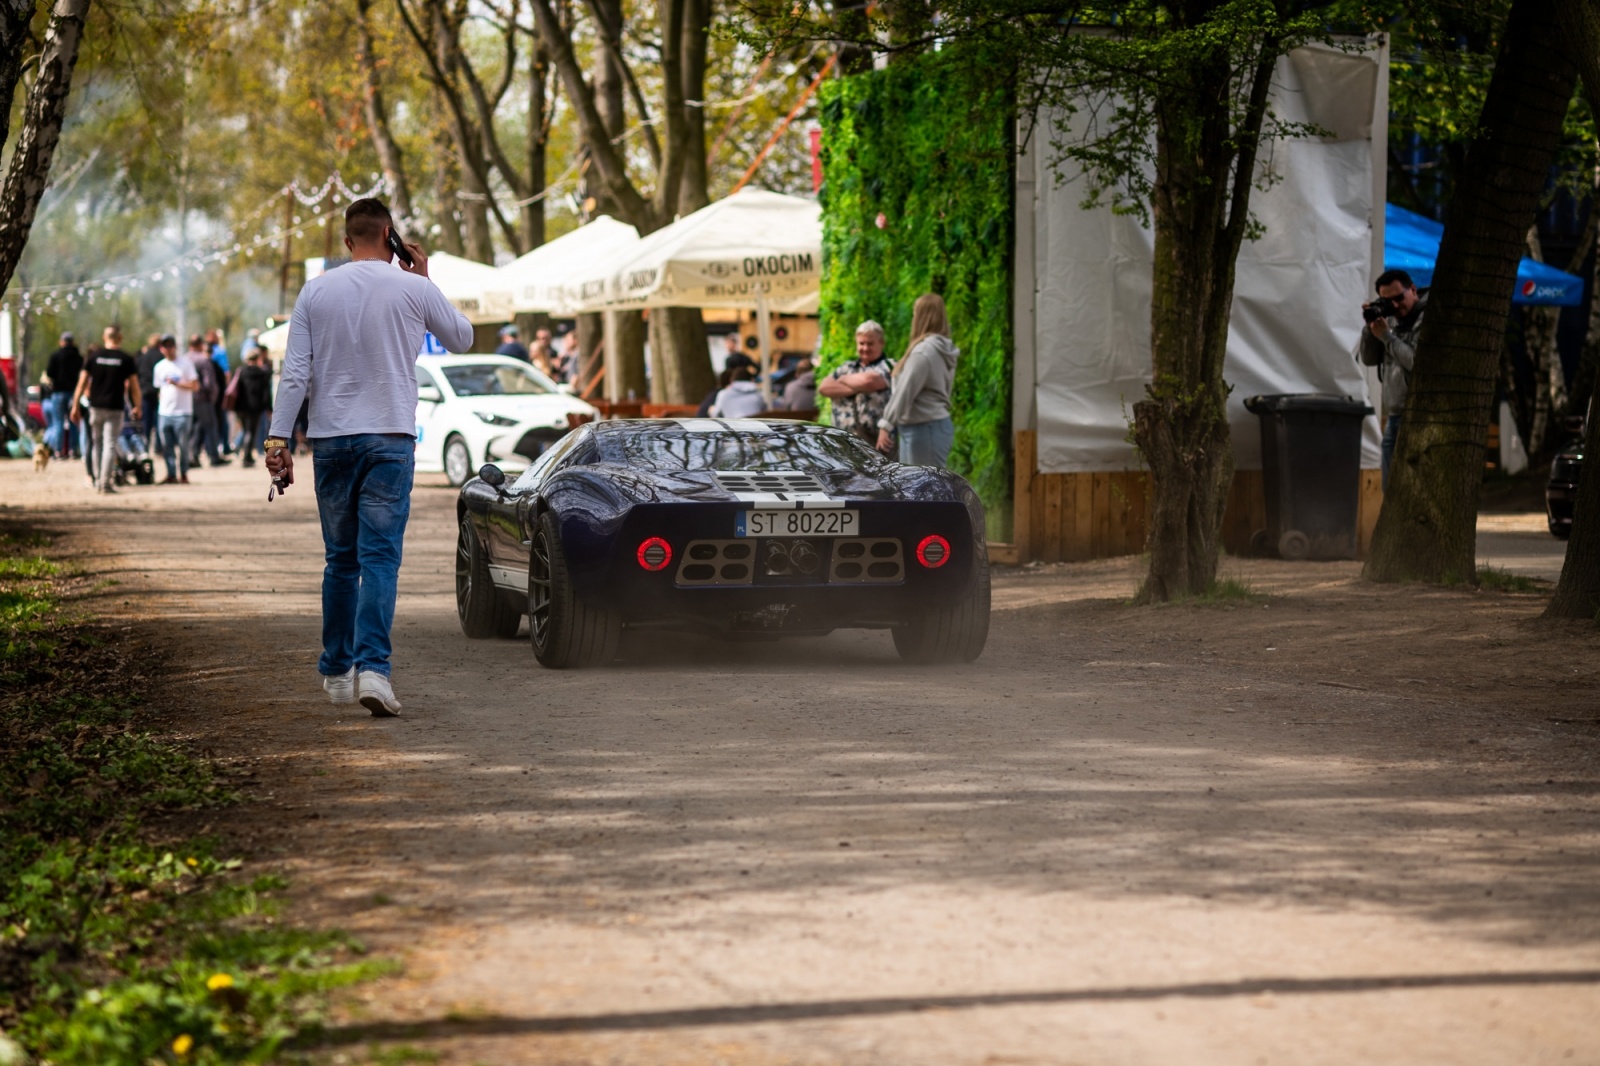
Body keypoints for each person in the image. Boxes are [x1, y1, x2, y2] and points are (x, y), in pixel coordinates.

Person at [265, 197, 472, 718]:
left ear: (346, 240)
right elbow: (462, 339)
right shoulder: (413, 287)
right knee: (380, 558)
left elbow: (295, 373)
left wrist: (277, 440)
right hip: (390, 437)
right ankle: (374, 670)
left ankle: (337, 671)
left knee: (341, 559)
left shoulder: (315, 291)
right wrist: (425, 278)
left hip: (332, 439)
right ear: (389, 235)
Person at [1359, 268, 1426, 490]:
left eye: (1399, 298)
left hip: (1419, 417)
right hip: (1394, 416)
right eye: (1388, 301)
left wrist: (1387, 337)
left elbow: (1417, 363)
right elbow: (1368, 359)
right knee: (1390, 491)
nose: (1395, 306)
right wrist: (1371, 327)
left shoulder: (1426, 316)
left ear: (1413, 289)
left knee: (1413, 490)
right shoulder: (1390, 318)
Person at [876, 294, 959, 467]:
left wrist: (886, 424)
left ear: (921, 317)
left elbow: (905, 391)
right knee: (917, 482)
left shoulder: (924, 352)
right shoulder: (940, 349)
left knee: (923, 483)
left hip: (924, 428)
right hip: (927, 427)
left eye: (915, 314)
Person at [69, 326, 141, 495]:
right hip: (115, 407)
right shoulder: (125, 358)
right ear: (120, 338)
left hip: (95, 407)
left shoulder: (93, 357)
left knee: (97, 444)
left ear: (104, 337)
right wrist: (137, 406)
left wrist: (75, 405)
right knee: (110, 444)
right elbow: (134, 387)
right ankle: (105, 484)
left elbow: (81, 383)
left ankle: (97, 481)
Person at [820, 320, 895, 445]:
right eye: (861, 343)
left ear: (882, 343)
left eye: (870, 344)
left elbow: (868, 381)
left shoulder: (890, 366)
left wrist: (843, 380)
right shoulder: (847, 367)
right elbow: (824, 387)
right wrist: (859, 387)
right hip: (842, 443)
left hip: (877, 443)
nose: (865, 348)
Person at [152, 336, 198, 484]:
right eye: (165, 346)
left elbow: (195, 386)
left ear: (175, 347)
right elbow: (159, 389)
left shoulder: (186, 363)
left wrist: (178, 384)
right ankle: (171, 474)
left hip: (183, 412)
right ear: (161, 349)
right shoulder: (159, 367)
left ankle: (184, 474)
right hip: (164, 412)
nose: (168, 349)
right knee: (166, 446)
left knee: (183, 446)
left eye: (171, 346)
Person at [186, 335, 228, 467]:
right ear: (200, 345)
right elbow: (209, 383)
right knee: (210, 427)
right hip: (203, 398)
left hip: (187, 399)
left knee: (196, 428)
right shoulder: (203, 360)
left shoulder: (185, 359)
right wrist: (213, 397)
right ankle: (214, 457)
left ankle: (192, 455)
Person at [42, 332, 82, 457]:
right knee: (73, 421)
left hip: (58, 392)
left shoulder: (55, 356)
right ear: (72, 342)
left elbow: (49, 373)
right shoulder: (78, 357)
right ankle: (73, 450)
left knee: (58, 422)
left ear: (61, 342)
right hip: (73, 393)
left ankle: (58, 451)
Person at [232, 346, 274, 466]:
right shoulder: (262, 373)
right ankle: (247, 457)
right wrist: (268, 408)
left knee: (246, 430)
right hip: (255, 407)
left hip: (241, 406)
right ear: (257, 359)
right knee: (251, 431)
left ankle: (246, 454)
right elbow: (266, 393)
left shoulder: (241, 371)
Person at [136, 333, 164, 446]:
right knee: (158, 419)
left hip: (145, 390)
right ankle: (158, 446)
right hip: (158, 392)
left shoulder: (143, 357)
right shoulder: (161, 357)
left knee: (146, 420)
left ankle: (145, 444)